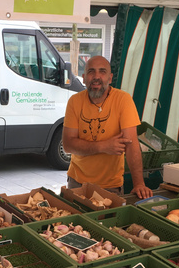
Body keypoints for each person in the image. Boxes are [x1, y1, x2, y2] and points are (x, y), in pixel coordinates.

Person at [62, 55, 154, 199]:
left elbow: (131, 144)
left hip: (110, 186)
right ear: (84, 78)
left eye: (102, 71)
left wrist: (139, 184)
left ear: (110, 78)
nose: (96, 77)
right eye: (91, 71)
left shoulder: (123, 100)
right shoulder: (75, 101)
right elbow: (68, 145)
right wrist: (103, 146)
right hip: (77, 183)